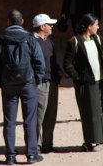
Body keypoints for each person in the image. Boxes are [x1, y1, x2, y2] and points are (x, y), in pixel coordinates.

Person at [0, 10, 45, 165]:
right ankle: (32, 155)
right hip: (28, 84)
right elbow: (39, 62)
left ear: (8, 22)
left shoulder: (0, 39)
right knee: (30, 120)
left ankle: (10, 156)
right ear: (22, 22)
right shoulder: (29, 38)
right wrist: (36, 80)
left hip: (8, 85)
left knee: (9, 121)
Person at [63, 14, 103, 152]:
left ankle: (102, 139)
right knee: (90, 113)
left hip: (101, 81)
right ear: (89, 26)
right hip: (87, 84)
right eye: (96, 24)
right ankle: (93, 141)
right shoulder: (74, 41)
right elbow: (67, 64)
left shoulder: (97, 38)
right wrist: (79, 78)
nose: (98, 27)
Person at [32, 13, 63, 154]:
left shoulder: (49, 42)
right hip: (40, 83)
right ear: (42, 26)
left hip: (52, 82)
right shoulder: (32, 41)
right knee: (39, 114)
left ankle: (47, 144)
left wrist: (59, 74)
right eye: (49, 25)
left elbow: (54, 61)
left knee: (51, 114)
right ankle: (36, 145)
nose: (51, 27)